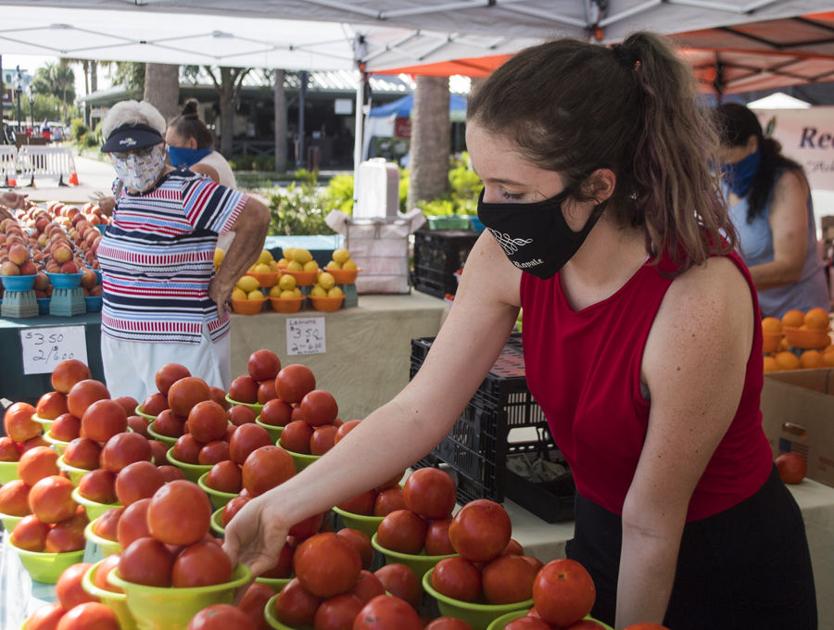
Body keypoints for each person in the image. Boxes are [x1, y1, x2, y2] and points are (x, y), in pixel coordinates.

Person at [224, 33, 816, 629]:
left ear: (598, 186)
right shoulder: (510, 254)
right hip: (605, 534)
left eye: (513, 192)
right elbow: (418, 412)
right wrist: (280, 505)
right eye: (484, 182)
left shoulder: (698, 296)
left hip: (723, 563)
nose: (491, 209)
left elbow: (653, 517)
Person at [96, 100, 270, 401]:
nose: (133, 162)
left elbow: (256, 217)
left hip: (180, 345)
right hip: (119, 340)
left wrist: (223, 283)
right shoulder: (122, 190)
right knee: (129, 437)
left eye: (142, 151)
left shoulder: (188, 190)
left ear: (161, 147)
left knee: (187, 437)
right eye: (123, 154)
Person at [716, 103, 830, 318]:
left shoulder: (786, 182)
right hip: (754, 311)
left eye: (726, 159)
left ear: (751, 144)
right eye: (716, 160)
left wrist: (725, 278)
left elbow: (789, 267)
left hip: (798, 318)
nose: (722, 168)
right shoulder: (723, 184)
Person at [165, 98, 238, 251]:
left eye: (172, 146)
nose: (168, 152)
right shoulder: (214, 157)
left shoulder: (203, 169)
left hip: (218, 254)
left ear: (192, 143)